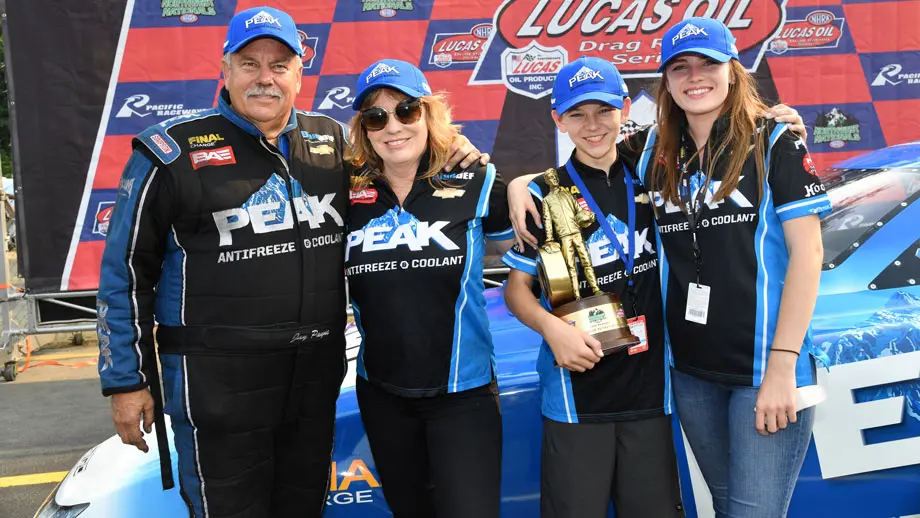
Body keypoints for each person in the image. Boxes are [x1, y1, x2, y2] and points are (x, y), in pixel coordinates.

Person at [96, 7, 487, 518]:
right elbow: (124, 274)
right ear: (225, 70)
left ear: (300, 73)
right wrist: (126, 380)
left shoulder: (331, 146)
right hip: (218, 384)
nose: (265, 78)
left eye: (279, 64)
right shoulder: (170, 153)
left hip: (311, 382)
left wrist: (453, 146)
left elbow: (402, 160)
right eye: (249, 63)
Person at [632, 18, 833, 517]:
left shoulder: (775, 141)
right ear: (666, 81)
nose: (694, 76)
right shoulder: (650, 154)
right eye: (680, 67)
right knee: (724, 507)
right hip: (691, 372)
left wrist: (783, 366)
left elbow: (809, 255)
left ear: (733, 71)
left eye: (708, 64)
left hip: (764, 369)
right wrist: (513, 182)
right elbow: (581, 160)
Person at [502, 57, 684, 518]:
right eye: (577, 114)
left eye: (603, 110)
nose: (593, 125)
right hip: (576, 393)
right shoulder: (542, 195)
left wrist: (779, 120)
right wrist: (552, 330)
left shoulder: (656, 178)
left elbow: (717, 136)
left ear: (625, 108)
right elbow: (517, 290)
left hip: (649, 392)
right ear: (557, 120)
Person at [344, 59, 514, 518]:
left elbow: (532, 254)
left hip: (463, 394)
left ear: (429, 114)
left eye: (407, 110)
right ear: (364, 129)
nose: (392, 126)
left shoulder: (477, 181)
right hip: (382, 394)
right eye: (376, 117)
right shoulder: (343, 193)